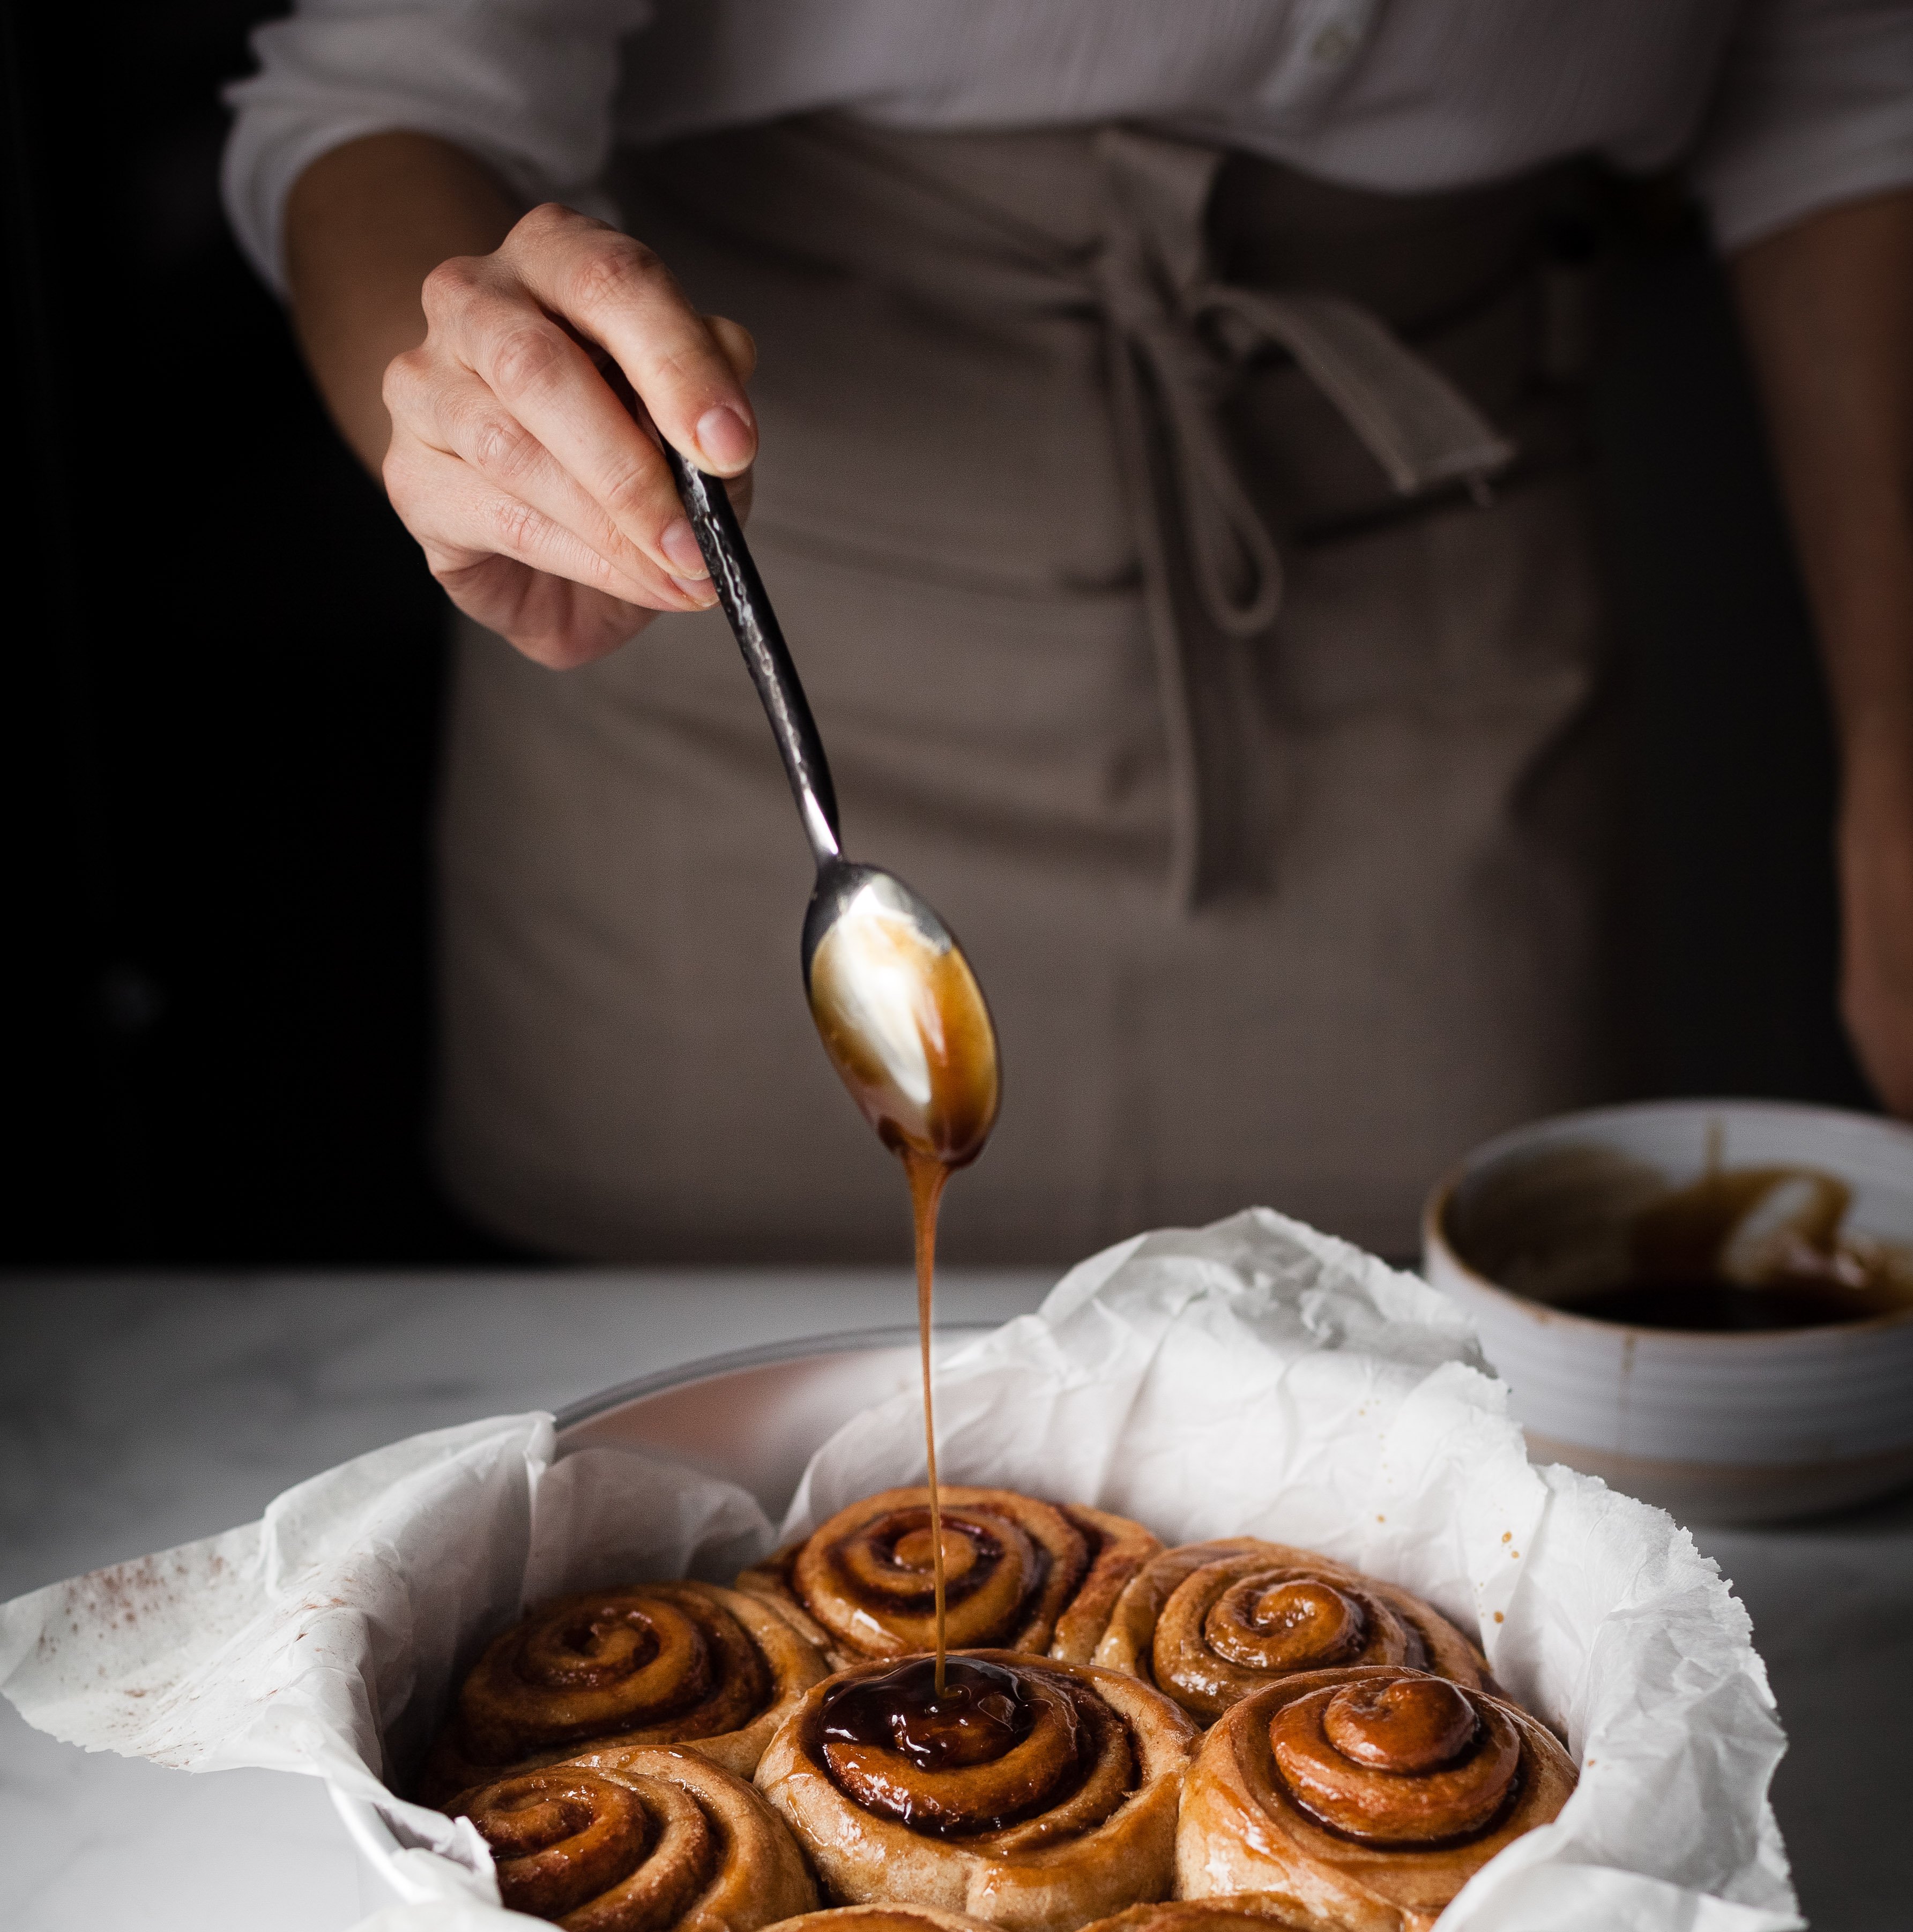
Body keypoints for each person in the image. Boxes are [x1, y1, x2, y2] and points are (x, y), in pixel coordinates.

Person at [224, 3, 1913, 1264]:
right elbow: (386, 87)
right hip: (727, 623)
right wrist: (475, 402)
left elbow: (1845, 76)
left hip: (1436, 666)